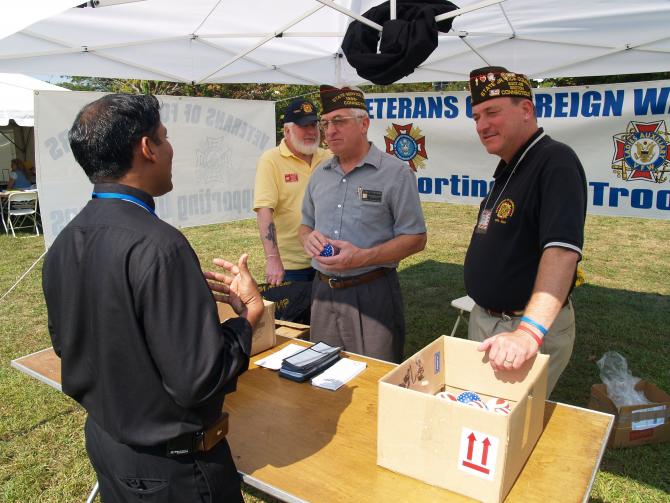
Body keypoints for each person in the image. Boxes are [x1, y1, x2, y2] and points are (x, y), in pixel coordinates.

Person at [42, 93, 264, 503]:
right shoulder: (160, 247)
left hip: (110, 449)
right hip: (173, 473)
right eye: (164, 137)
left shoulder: (65, 241)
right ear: (147, 148)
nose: (170, 148)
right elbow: (199, 379)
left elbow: (66, 342)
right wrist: (249, 314)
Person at [464, 66, 587, 396]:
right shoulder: (510, 166)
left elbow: (562, 252)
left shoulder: (554, 161)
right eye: (476, 117)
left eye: (492, 112)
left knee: (507, 424)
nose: (482, 125)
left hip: (519, 330)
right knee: (483, 413)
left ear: (526, 110)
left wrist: (528, 332)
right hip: (490, 322)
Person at [299, 85, 427, 363]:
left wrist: (362, 257)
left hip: (371, 292)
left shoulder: (395, 173)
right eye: (325, 123)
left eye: (339, 121)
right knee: (322, 373)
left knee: (374, 376)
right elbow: (305, 224)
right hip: (322, 292)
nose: (329, 130)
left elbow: (416, 237)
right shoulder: (320, 174)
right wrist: (307, 238)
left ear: (364, 124)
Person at [253, 98, 331, 321]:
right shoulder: (271, 160)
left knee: (326, 321)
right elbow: (264, 210)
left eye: (313, 125)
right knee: (295, 326)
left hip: (327, 259)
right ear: (287, 131)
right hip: (291, 265)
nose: (310, 131)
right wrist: (272, 258)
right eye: (303, 125)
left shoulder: (328, 157)